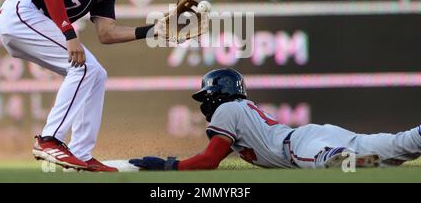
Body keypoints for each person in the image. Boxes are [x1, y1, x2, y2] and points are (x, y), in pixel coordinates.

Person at [0, 0, 160, 172]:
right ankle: (49, 140)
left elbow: (106, 33)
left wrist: (153, 31)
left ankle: (81, 154)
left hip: (32, 22)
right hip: (22, 13)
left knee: (96, 74)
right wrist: (70, 35)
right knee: (84, 68)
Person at [129, 68, 421, 171]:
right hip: (317, 134)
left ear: (219, 92)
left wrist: (171, 166)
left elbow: (210, 160)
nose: (206, 102)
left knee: (325, 162)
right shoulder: (242, 108)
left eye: (208, 95)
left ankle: (343, 160)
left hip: (298, 145)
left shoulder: (227, 110)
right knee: (399, 145)